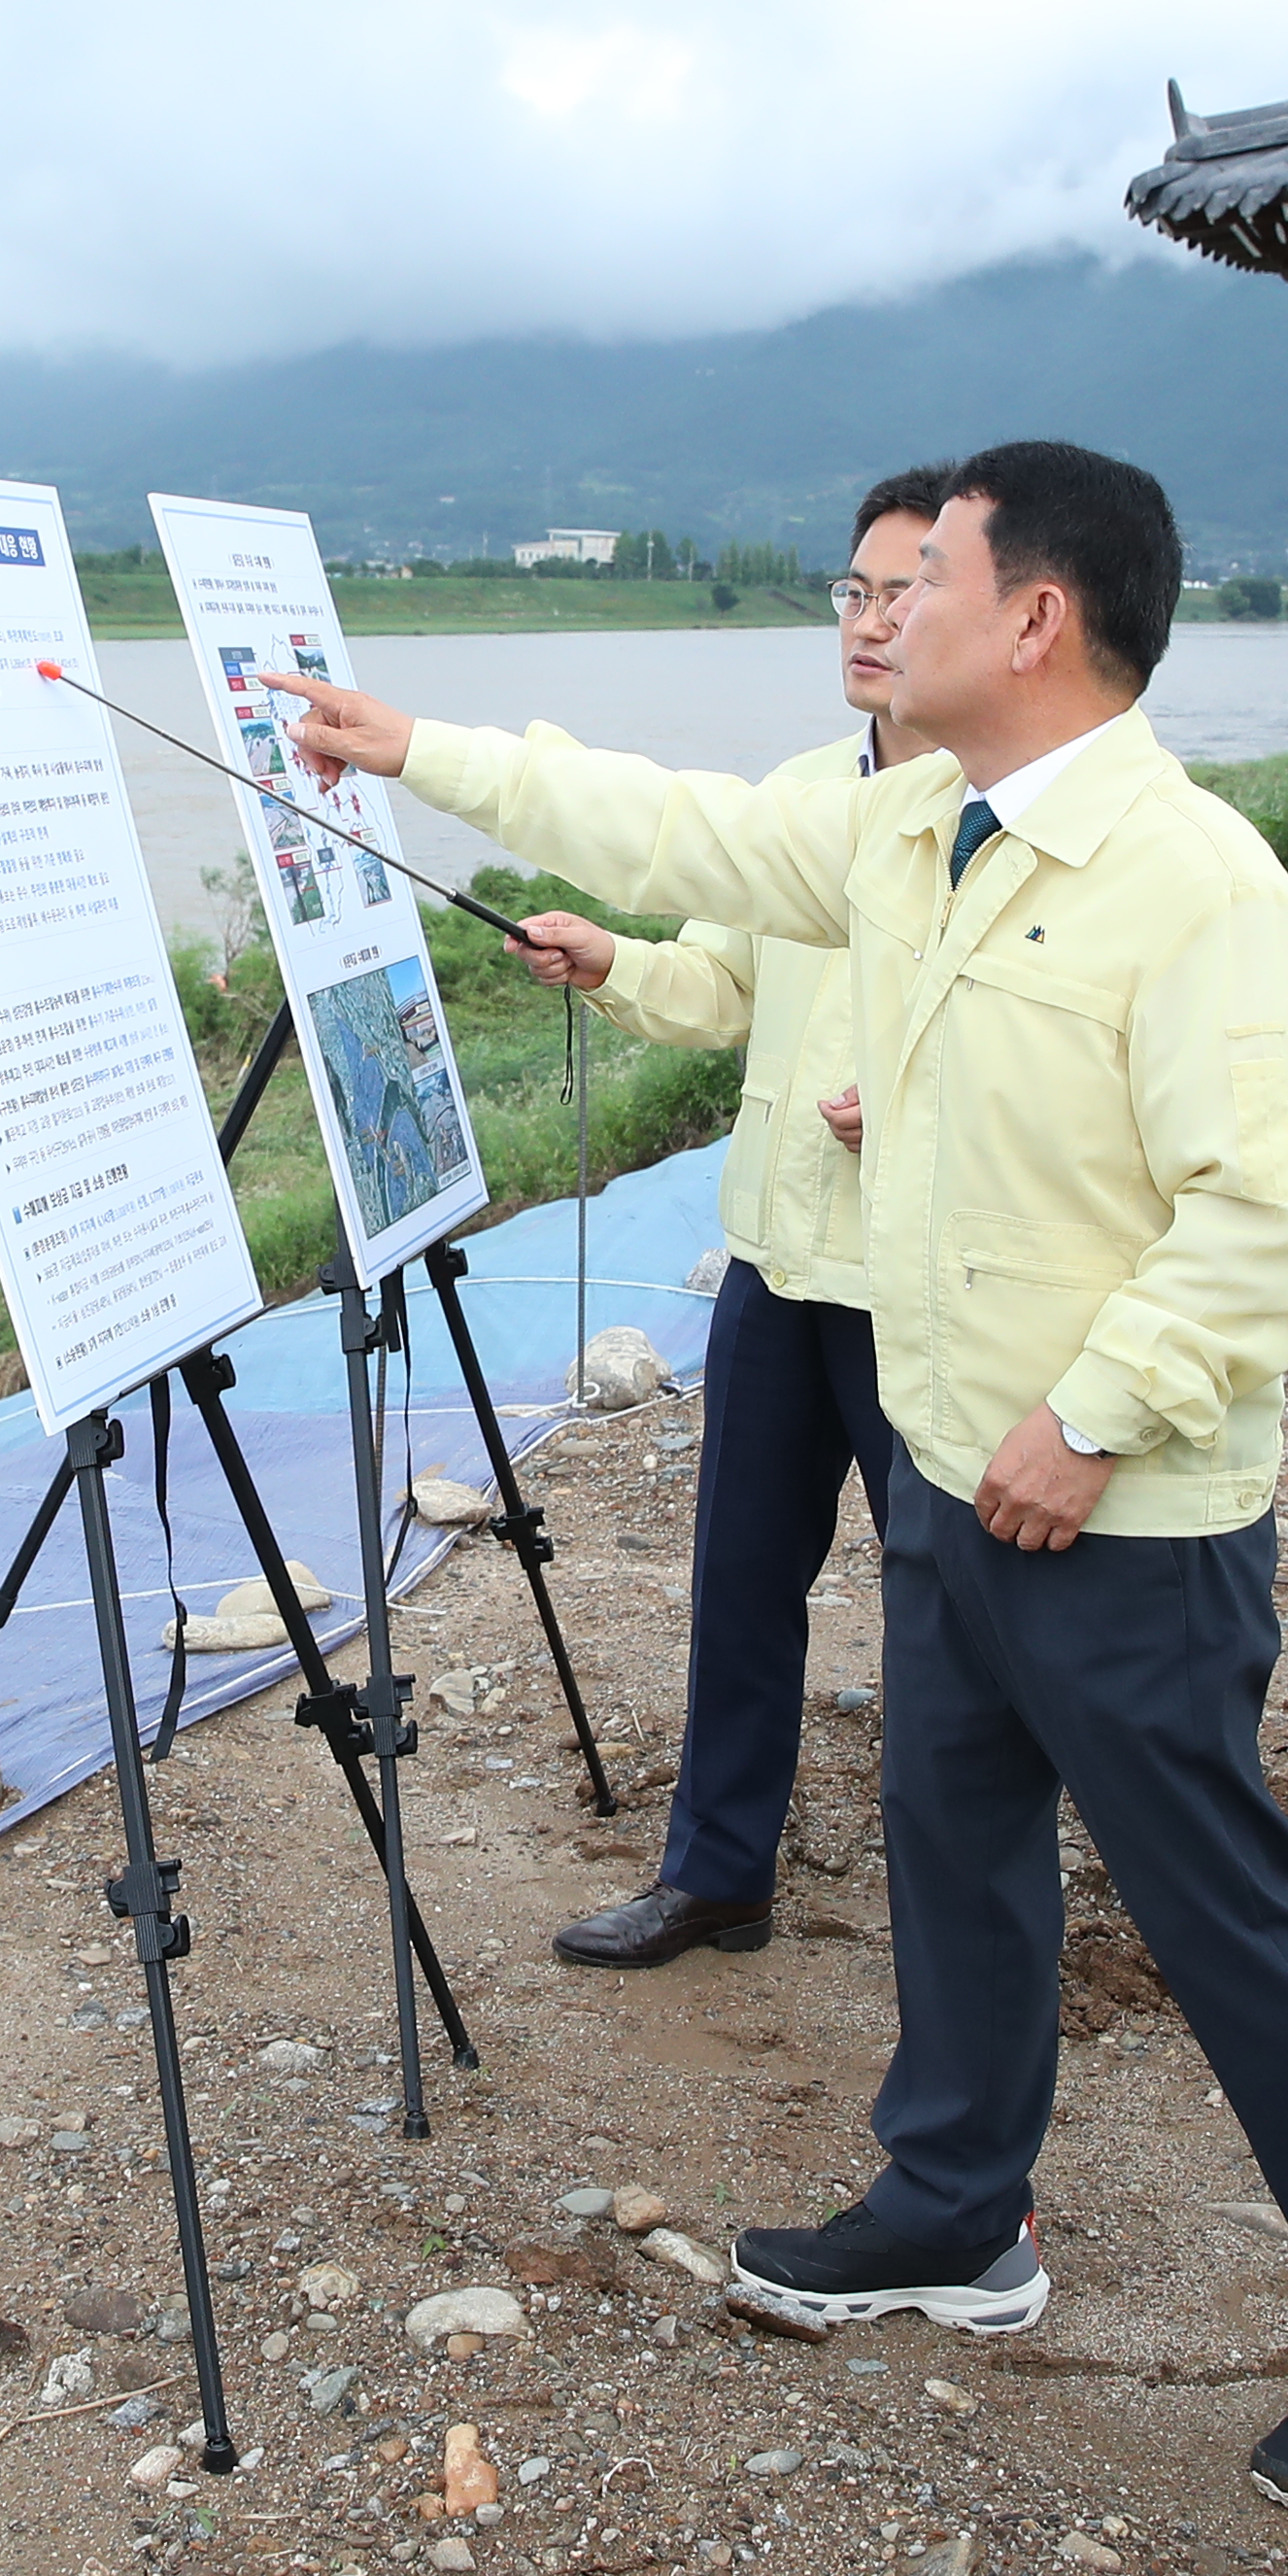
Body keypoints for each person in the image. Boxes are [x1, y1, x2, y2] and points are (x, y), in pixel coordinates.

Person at [260, 440, 1288, 2518]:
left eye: (926, 574)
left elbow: (1250, 1215)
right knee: (952, 1851)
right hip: (961, 1482)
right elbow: (679, 830)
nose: (884, 610)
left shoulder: (1194, 882)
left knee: (1228, 1924)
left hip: (1110, 1514)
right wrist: (416, 745)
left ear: (1036, 616)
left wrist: (1089, 1417)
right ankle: (956, 2209)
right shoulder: (914, 826)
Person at [507, 468, 941, 1968]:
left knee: (950, 1600)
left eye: (908, 593)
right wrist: (615, 959)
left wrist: (941, 1101)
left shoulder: (1015, 812)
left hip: (929, 1282)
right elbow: (723, 987)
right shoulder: (806, 798)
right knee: (742, 1578)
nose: (873, 624)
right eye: (856, 592)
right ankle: (716, 1870)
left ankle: (969, 1892)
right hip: (778, 1254)